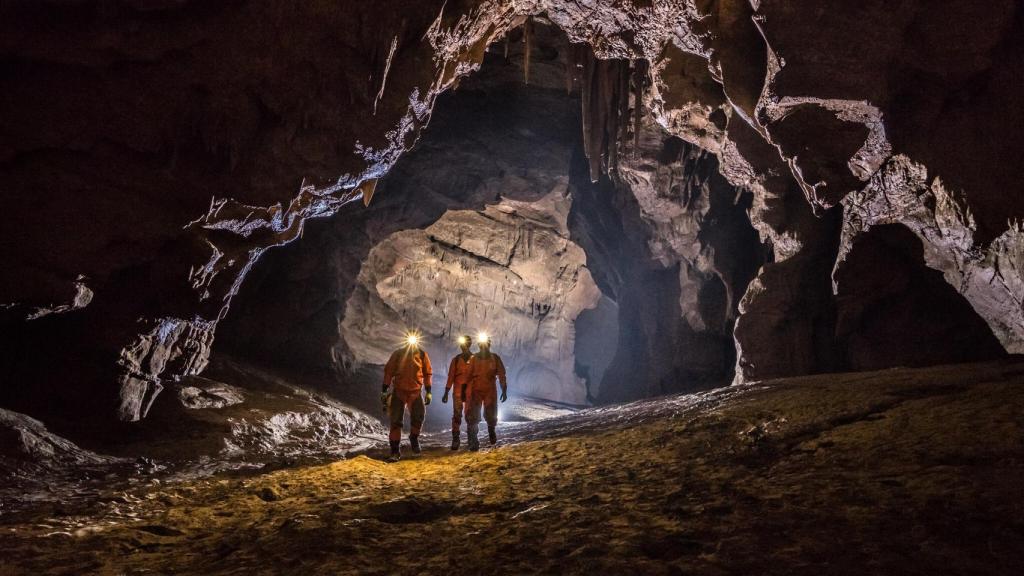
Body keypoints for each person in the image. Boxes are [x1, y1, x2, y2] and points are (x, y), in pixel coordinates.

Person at [381, 333, 432, 462]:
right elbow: (389, 371)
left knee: (419, 416)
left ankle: (414, 438)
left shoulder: (421, 354)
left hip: (415, 392)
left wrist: (428, 391)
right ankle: (395, 451)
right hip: (399, 391)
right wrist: (384, 390)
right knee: (396, 421)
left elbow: (427, 373)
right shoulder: (398, 354)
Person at [465, 333, 507, 451]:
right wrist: (464, 391)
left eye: (486, 343)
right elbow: (468, 376)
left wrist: (504, 389)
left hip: (490, 390)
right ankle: (473, 441)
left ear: (489, 344)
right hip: (476, 390)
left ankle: (491, 429)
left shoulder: (495, 358)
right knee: (473, 415)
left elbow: (502, 374)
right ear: (479, 345)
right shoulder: (473, 359)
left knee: (491, 412)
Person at [442, 335, 474, 451]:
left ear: (469, 344)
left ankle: (472, 438)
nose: (463, 346)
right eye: (462, 344)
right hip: (458, 392)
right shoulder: (456, 360)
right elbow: (451, 377)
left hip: (470, 392)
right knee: (457, 416)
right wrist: (446, 391)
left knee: (471, 416)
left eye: (465, 344)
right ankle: (456, 439)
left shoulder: (475, 359)